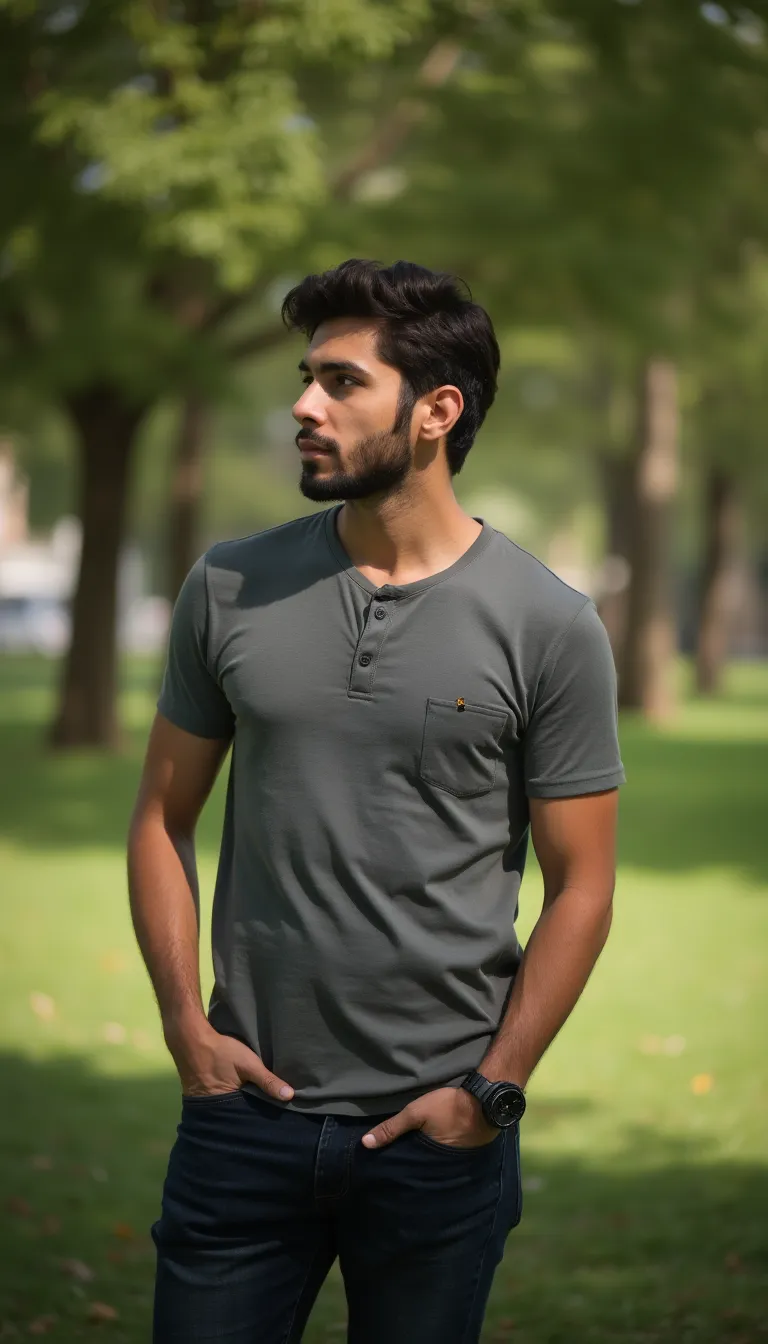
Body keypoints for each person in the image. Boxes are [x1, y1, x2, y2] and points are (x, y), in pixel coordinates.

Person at [128, 259, 625, 1344]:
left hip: (436, 1138)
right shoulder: (227, 585)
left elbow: (584, 884)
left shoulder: (550, 625)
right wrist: (186, 1033)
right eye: (307, 377)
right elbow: (161, 818)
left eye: (342, 383)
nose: (303, 406)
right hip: (241, 1117)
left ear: (436, 411)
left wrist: (489, 1093)